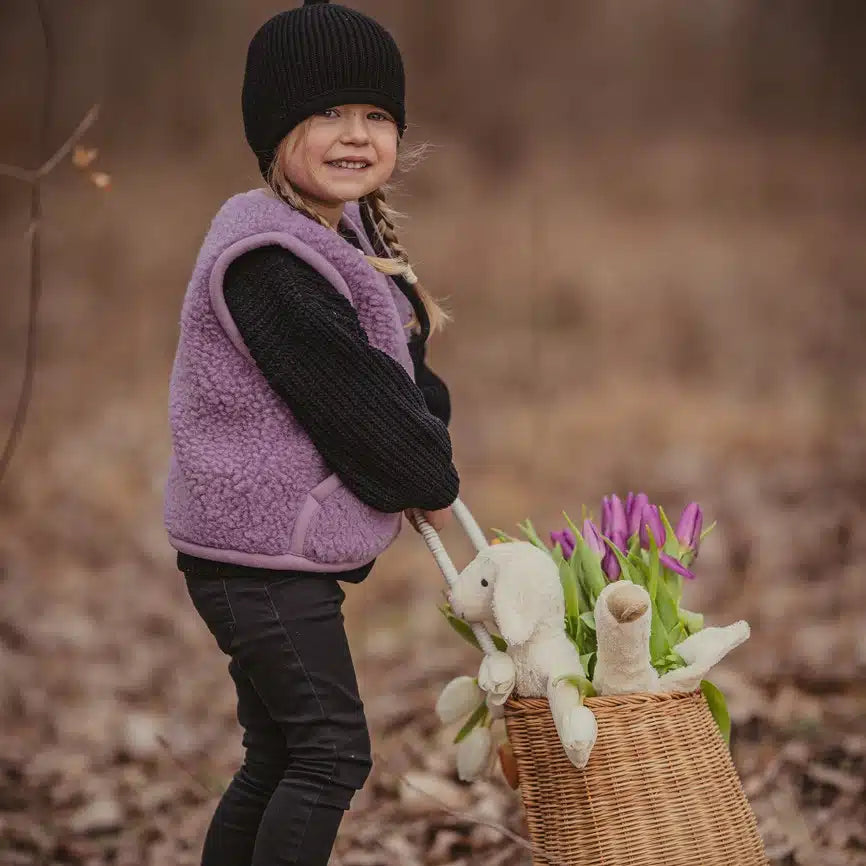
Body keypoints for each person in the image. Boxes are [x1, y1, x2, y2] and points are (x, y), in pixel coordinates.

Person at [163, 2, 459, 863]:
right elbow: (366, 413)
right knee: (331, 753)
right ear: (274, 130)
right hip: (253, 562)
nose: (355, 135)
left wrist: (426, 447)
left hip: (246, 555)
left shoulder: (337, 235)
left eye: (376, 116)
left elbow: (405, 381)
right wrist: (431, 479)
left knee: (282, 753)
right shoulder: (270, 262)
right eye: (327, 113)